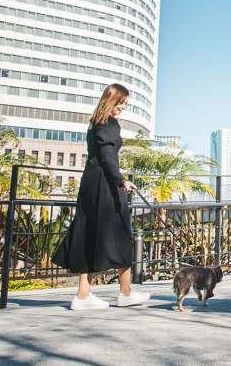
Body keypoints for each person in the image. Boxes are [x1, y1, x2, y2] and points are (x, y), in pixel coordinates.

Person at [52, 83, 151, 310]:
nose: (123, 107)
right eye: (121, 102)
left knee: (88, 233)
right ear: (110, 99)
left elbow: (103, 157)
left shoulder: (96, 123)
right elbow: (108, 157)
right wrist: (121, 180)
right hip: (106, 186)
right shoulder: (108, 123)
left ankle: (83, 295)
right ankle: (125, 293)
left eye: (125, 103)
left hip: (92, 184)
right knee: (123, 234)